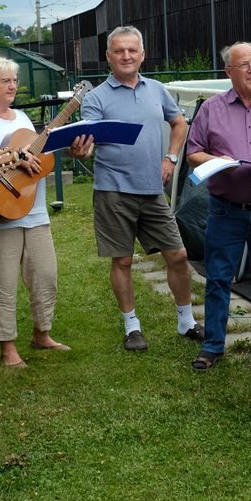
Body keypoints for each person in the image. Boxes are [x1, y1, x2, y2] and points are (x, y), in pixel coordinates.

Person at [79, 26, 203, 351]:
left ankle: (186, 321)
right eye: (119, 51)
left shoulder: (157, 90)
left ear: (142, 55)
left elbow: (179, 123)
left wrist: (170, 158)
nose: (126, 56)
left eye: (132, 50)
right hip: (113, 191)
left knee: (178, 255)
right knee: (122, 261)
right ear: (108, 56)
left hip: (152, 190)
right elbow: (87, 144)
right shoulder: (95, 98)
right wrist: (80, 150)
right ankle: (131, 326)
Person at [0, 54, 89, 368]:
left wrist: (71, 149)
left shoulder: (21, 118)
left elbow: (36, 157)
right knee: (3, 284)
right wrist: (13, 154)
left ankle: (41, 334)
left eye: (15, 80)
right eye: (5, 80)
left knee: (45, 276)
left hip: (33, 210)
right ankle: (7, 347)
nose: (13, 86)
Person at [184, 42, 251, 370]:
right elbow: (193, 153)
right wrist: (218, 161)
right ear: (228, 71)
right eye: (244, 64)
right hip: (225, 208)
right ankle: (213, 346)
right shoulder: (211, 109)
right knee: (218, 277)